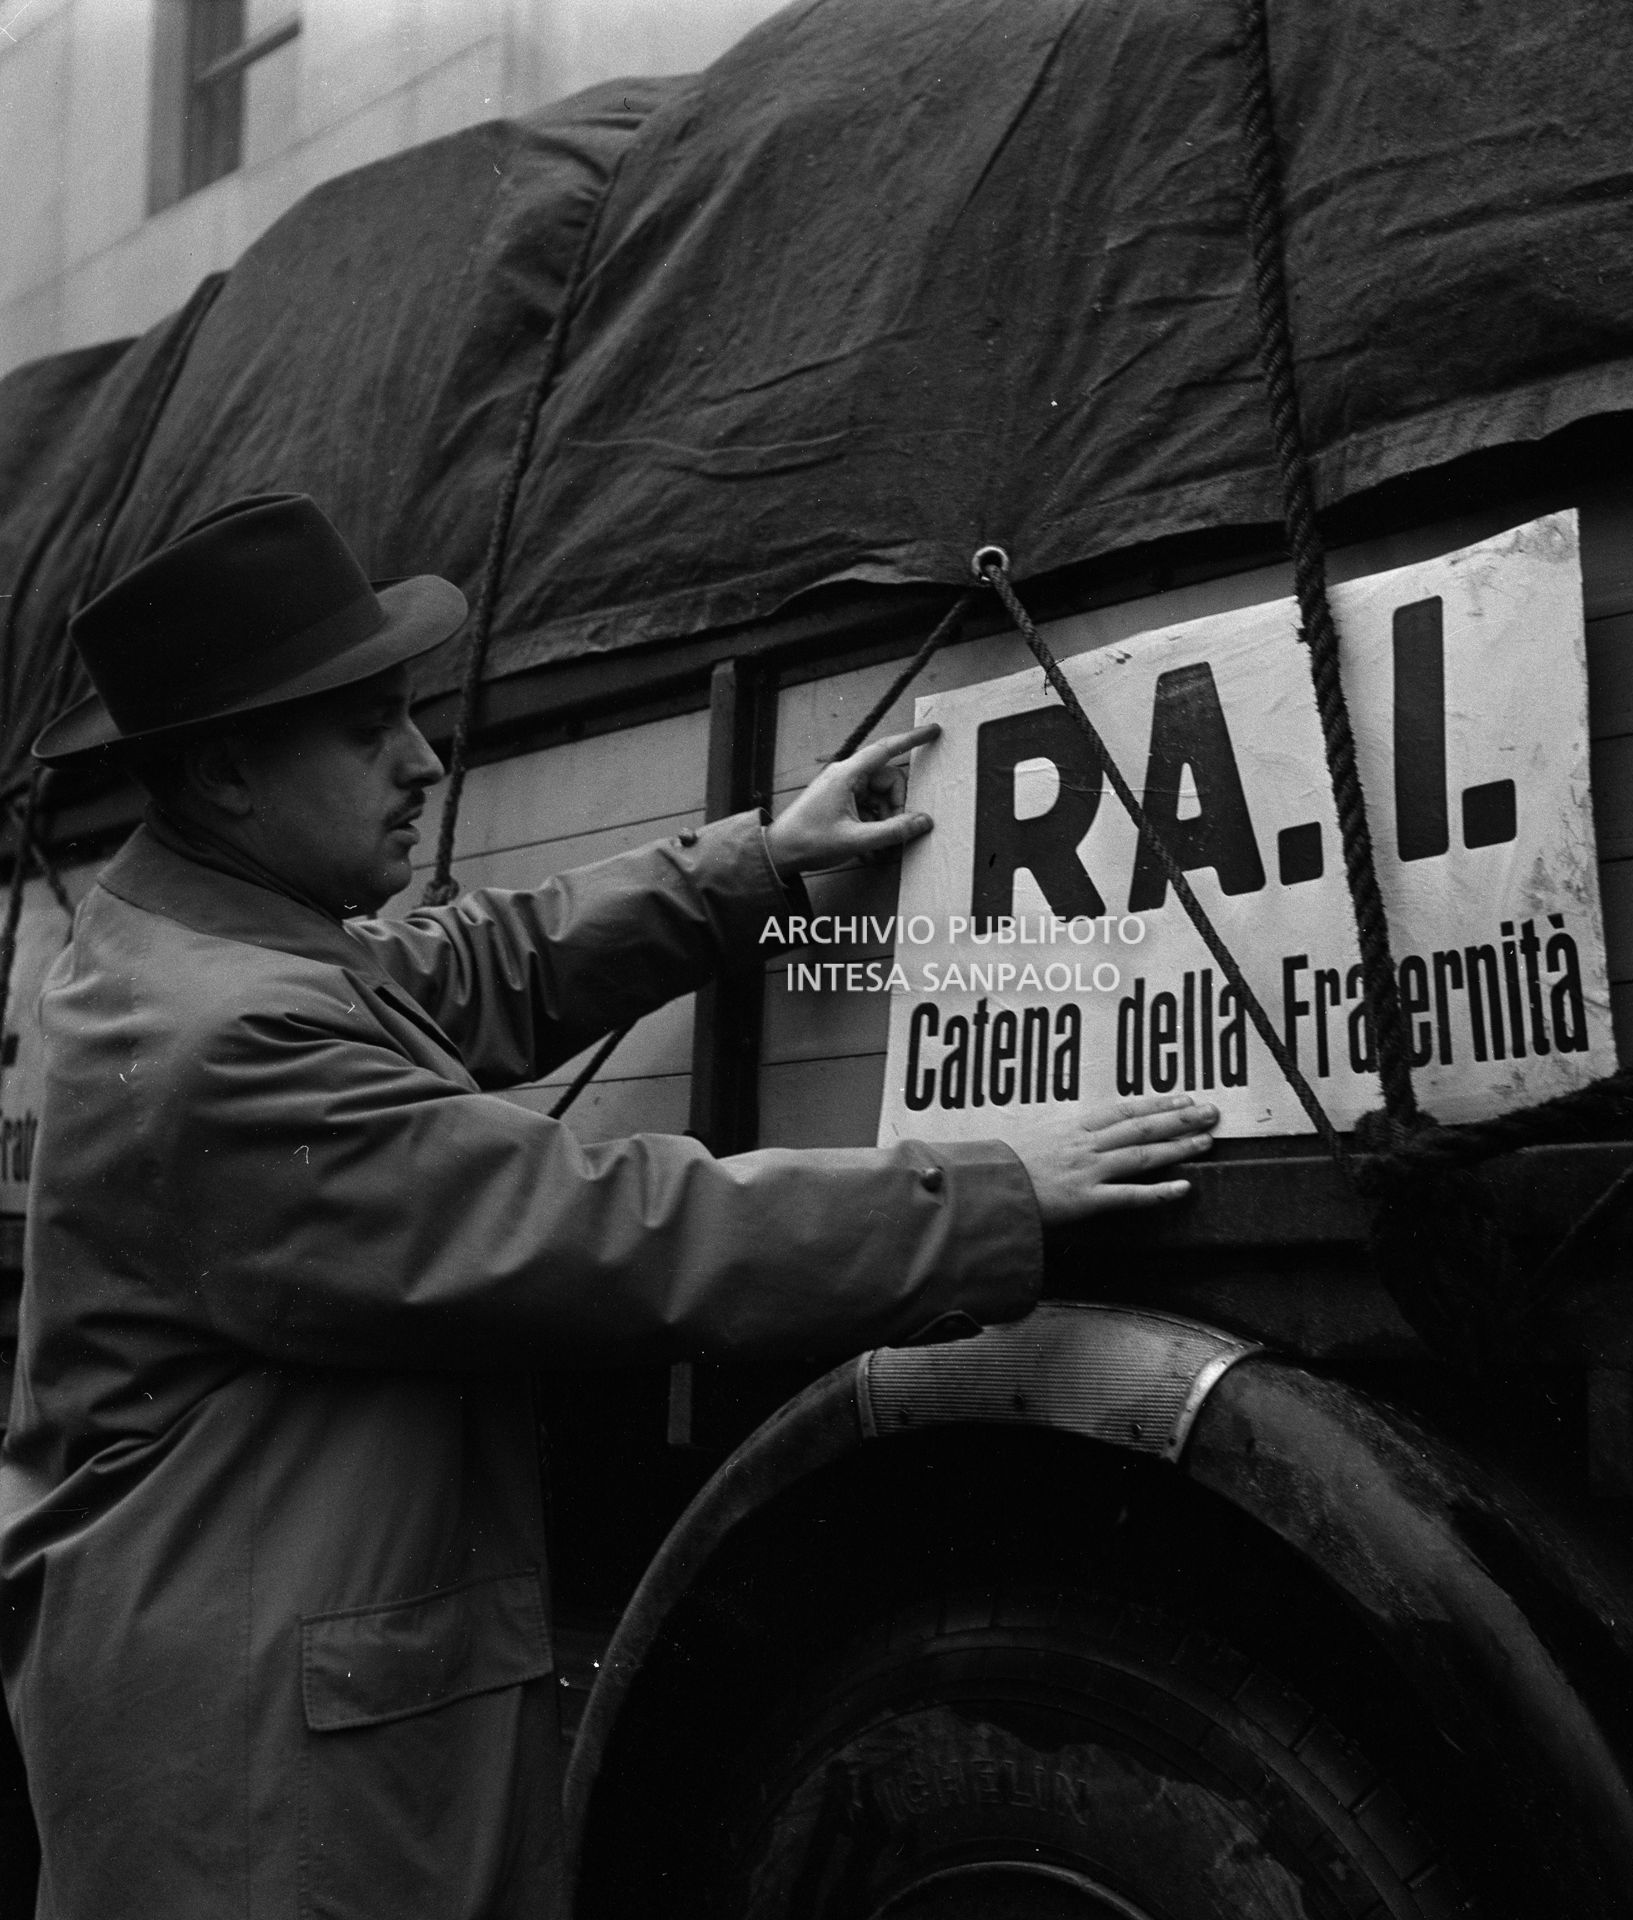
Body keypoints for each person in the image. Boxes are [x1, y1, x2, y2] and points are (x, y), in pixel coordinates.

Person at [0, 495, 1216, 1917]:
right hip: (265, 1798)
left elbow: (469, 966)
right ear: (223, 775)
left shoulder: (209, 936)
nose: (421, 760)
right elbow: (604, 1229)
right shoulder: (220, 1040)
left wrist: (757, 861)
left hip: (249, 1708)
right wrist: (986, 1198)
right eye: (367, 726)